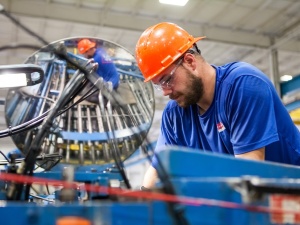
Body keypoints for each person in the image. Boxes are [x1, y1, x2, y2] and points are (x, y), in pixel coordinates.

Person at [135, 22, 300, 189]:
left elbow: (248, 174)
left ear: (190, 61)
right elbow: (158, 168)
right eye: (159, 85)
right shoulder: (175, 115)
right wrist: (142, 203)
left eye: (167, 80)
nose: (165, 92)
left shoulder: (243, 85)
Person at [77, 39, 120, 103]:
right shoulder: (100, 51)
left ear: (88, 51)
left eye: (84, 53)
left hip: (111, 85)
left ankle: (109, 100)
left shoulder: (95, 60)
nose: (84, 56)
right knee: (88, 86)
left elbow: (90, 75)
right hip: (115, 79)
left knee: (87, 96)